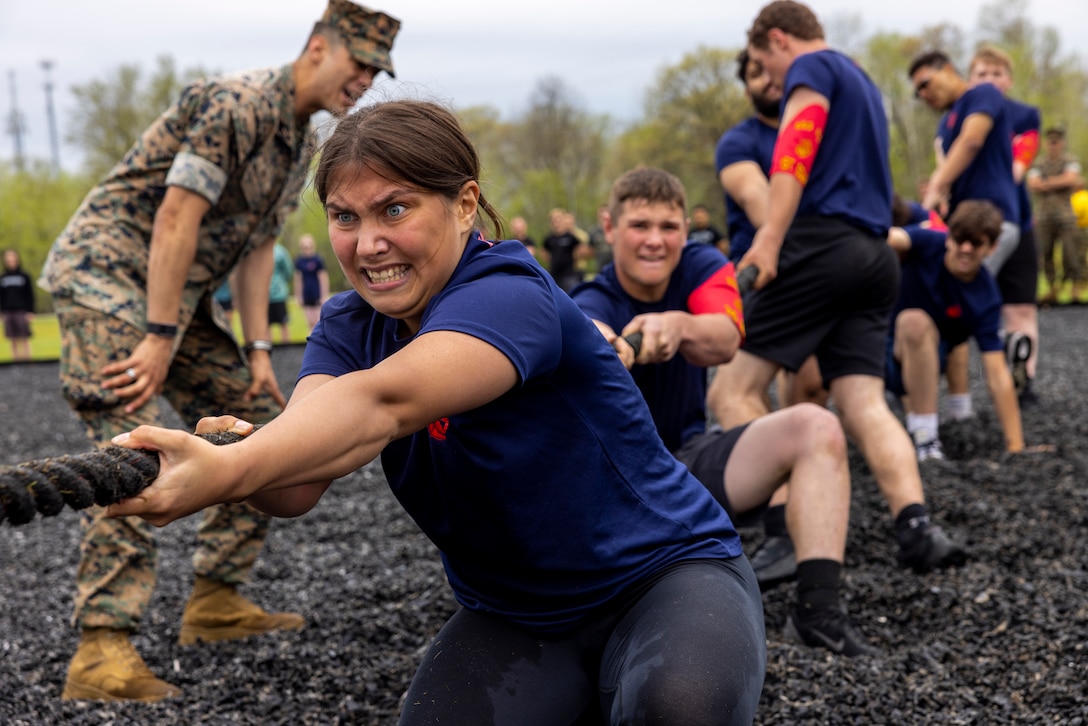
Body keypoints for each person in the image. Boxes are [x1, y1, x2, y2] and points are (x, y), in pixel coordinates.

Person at [105, 100, 767, 724]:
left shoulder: (511, 296)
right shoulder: (347, 327)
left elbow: (384, 403)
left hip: (662, 578)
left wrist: (228, 474)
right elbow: (300, 482)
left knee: (679, 709)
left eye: (395, 210)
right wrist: (243, 461)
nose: (367, 245)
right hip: (516, 613)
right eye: (345, 217)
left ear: (464, 206)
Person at [39, 0, 401, 702]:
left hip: (173, 303)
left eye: (376, 71)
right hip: (107, 281)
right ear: (319, 47)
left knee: (251, 423)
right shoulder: (237, 104)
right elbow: (178, 214)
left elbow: (260, 242)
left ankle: (215, 600)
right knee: (130, 439)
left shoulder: (301, 142)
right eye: (359, 63)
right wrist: (158, 336)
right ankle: (101, 650)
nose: (366, 80)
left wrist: (259, 346)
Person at [572, 166, 875, 656]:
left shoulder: (702, 264)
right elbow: (591, 330)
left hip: (687, 469)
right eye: (639, 226)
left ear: (686, 232)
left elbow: (726, 336)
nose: (655, 241)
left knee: (817, 426)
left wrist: (678, 327)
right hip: (612, 491)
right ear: (608, 227)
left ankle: (818, 613)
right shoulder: (590, 296)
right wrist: (611, 345)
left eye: (669, 228)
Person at [721, 0, 966, 574]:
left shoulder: (813, 68)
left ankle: (782, 534)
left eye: (766, 65)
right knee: (863, 400)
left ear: (779, 40)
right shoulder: (860, 78)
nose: (774, 81)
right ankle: (916, 527)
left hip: (821, 244)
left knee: (731, 390)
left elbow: (795, 149)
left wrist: (772, 237)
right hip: (875, 253)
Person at [707, 46, 826, 588]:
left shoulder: (820, 129)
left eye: (767, 69)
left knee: (809, 386)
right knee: (745, 389)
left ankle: (810, 502)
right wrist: (783, 233)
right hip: (768, 272)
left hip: (819, 267)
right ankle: (781, 519)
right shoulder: (740, 141)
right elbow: (757, 198)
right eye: (753, 74)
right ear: (747, 85)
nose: (766, 80)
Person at [886, 200, 1026, 460]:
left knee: (942, 329)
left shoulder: (985, 296)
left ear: (992, 247)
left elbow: (996, 372)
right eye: (960, 238)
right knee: (914, 320)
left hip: (925, 357)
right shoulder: (928, 243)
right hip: (877, 347)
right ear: (948, 237)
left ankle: (930, 433)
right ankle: (923, 430)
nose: (965, 248)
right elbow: (893, 237)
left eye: (976, 243)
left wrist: (1015, 445)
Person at [909, 51, 1020, 277]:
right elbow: (945, 171)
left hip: (991, 219)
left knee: (966, 291)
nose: (923, 94)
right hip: (961, 226)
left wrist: (936, 186)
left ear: (948, 70)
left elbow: (971, 140)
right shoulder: (944, 125)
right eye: (918, 91)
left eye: (925, 83)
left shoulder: (983, 93)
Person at [1029, 127, 1087, 304]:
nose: (1054, 145)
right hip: (1044, 216)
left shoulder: (1070, 160)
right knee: (1045, 253)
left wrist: (1045, 182)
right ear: (1046, 143)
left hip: (1067, 215)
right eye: (1051, 141)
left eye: (1057, 141)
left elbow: (1071, 179)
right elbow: (1032, 184)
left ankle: (1075, 289)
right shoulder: (1039, 162)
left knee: (1073, 253)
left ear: (1062, 143)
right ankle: (1052, 289)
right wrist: (1058, 181)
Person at [540, 207, 593, 293]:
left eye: (558, 219)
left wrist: (576, 257)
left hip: (569, 275)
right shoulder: (549, 238)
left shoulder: (570, 236)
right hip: (554, 275)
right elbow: (543, 251)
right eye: (554, 220)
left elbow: (582, 248)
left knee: (571, 296)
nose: (556, 222)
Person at [1, 249, 35, 362]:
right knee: (13, 339)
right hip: (8, 311)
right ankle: (16, 362)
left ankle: (27, 360)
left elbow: (30, 294)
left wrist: (30, 311)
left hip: (21, 310)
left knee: (24, 338)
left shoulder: (24, 276)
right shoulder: (3, 278)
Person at [293, 233, 331, 332]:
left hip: (317, 293)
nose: (307, 249)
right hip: (306, 294)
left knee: (318, 321)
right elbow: (298, 279)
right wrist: (298, 296)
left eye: (308, 247)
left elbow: (323, 278)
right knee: (309, 321)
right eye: (304, 247)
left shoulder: (317, 260)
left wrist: (324, 295)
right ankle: (312, 342)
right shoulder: (299, 261)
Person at [269, 242, 294, 344]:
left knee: (284, 322)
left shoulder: (280, 251)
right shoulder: (258, 251)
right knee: (266, 324)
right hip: (263, 296)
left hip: (279, 295)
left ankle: (286, 348)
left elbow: (288, 271)